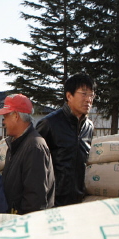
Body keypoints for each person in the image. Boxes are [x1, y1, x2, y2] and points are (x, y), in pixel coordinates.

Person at [36, 73, 96, 206]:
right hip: (52, 200)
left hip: (77, 200)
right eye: (84, 94)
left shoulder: (89, 127)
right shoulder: (50, 123)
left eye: (91, 95)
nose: (88, 99)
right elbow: (35, 163)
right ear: (69, 96)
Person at [0, 94, 55, 215]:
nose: (3, 122)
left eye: (5, 116)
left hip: (26, 225)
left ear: (16, 116)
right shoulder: (16, 143)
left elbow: (35, 200)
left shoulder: (34, 147)